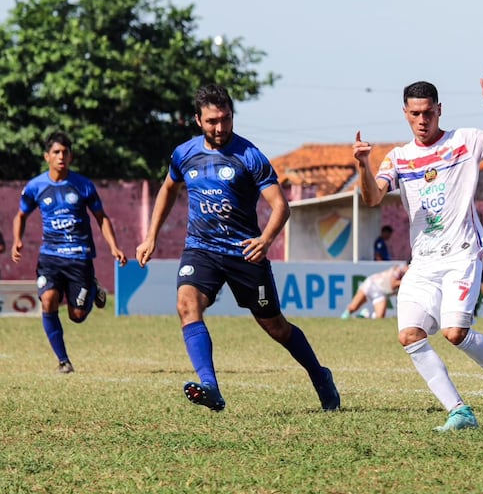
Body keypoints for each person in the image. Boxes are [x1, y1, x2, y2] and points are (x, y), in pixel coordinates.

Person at [135, 83, 340, 412]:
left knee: (275, 326)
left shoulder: (249, 156)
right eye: (212, 121)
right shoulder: (184, 154)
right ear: (198, 120)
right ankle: (210, 387)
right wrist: (151, 236)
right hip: (201, 249)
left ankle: (320, 376)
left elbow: (281, 206)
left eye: (226, 119)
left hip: (245, 252)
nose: (220, 127)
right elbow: (168, 188)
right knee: (187, 305)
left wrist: (265, 240)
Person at [352, 70, 483, 431]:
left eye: (428, 113)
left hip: (462, 254)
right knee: (409, 335)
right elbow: (372, 198)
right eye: (415, 113)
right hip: (423, 262)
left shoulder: (463, 141)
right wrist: (363, 165)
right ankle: (459, 411)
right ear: (405, 113)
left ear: (439, 111)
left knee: (454, 333)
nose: (422, 120)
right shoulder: (398, 158)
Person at [11, 131, 127, 373]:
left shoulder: (83, 185)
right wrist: (17, 240)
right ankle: (63, 360)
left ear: (71, 156)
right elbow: (20, 215)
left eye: (65, 152)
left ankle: (93, 287)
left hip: (79, 257)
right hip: (50, 257)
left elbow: (101, 218)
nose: (61, 156)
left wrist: (114, 247)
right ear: (46, 156)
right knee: (48, 301)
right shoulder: (36, 186)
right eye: (56, 152)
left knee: (76, 315)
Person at [341, 263, 409, 319]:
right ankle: (345, 316)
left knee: (379, 317)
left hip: (381, 293)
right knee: (353, 307)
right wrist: (408, 281)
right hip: (372, 284)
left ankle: (364, 316)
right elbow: (393, 284)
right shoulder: (401, 268)